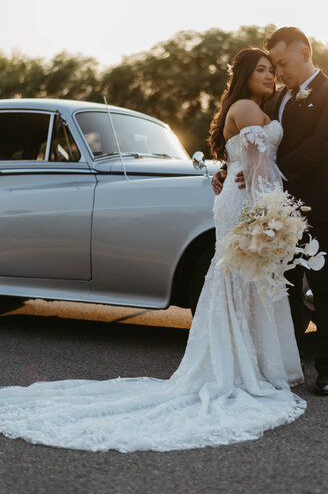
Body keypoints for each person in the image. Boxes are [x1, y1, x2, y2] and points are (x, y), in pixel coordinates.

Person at [0, 47, 306, 453]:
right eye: (262, 69)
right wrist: (271, 213)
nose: (270, 75)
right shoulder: (249, 107)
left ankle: (243, 362)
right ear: (245, 75)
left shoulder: (252, 106)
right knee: (237, 278)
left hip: (244, 196)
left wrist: (237, 181)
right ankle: (244, 365)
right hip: (250, 200)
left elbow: (246, 161)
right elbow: (258, 167)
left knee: (238, 278)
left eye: (273, 70)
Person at [213, 27, 328, 395]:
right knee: (283, 288)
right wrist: (231, 171)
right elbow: (252, 145)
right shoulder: (273, 101)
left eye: (283, 63)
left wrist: (273, 178)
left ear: (305, 52)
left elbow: (324, 143)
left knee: (325, 287)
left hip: (319, 206)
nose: (278, 72)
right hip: (274, 209)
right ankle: (286, 367)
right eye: (272, 65)